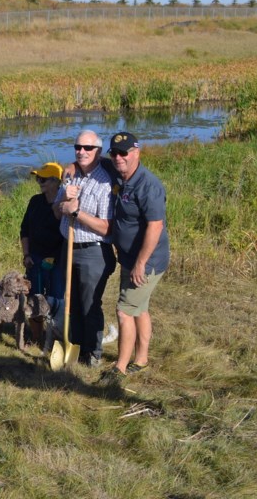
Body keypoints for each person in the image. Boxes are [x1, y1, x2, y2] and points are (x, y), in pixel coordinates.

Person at [103, 132, 170, 380]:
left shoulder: (148, 185)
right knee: (139, 308)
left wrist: (140, 263)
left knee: (124, 311)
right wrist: (71, 166)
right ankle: (141, 359)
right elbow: (95, 160)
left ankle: (119, 368)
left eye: (124, 153)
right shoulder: (118, 172)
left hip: (147, 261)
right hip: (130, 258)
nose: (118, 158)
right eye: (114, 153)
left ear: (137, 153)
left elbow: (155, 226)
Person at [53, 130, 116, 367]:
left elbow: (107, 228)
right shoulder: (70, 177)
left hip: (93, 251)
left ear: (98, 151)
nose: (82, 152)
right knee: (72, 302)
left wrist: (77, 212)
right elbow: (56, 213)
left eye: (87, 148)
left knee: (90, 304)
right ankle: (75, 345)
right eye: (78, 147)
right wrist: (62, 202)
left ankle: (94, 352)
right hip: (68, 246)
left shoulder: (105, 183)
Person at [20, 162, 65, 304]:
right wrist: (26, 255)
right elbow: (24, 229)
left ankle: (55, 326)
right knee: (34, 299)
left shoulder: (65, 204)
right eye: (38, 178)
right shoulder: (35, 201)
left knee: (56, 299)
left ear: (56, 181)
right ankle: (35, 326)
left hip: (57, 261)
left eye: (43, 179)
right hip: (34, 258)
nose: (39, 182)